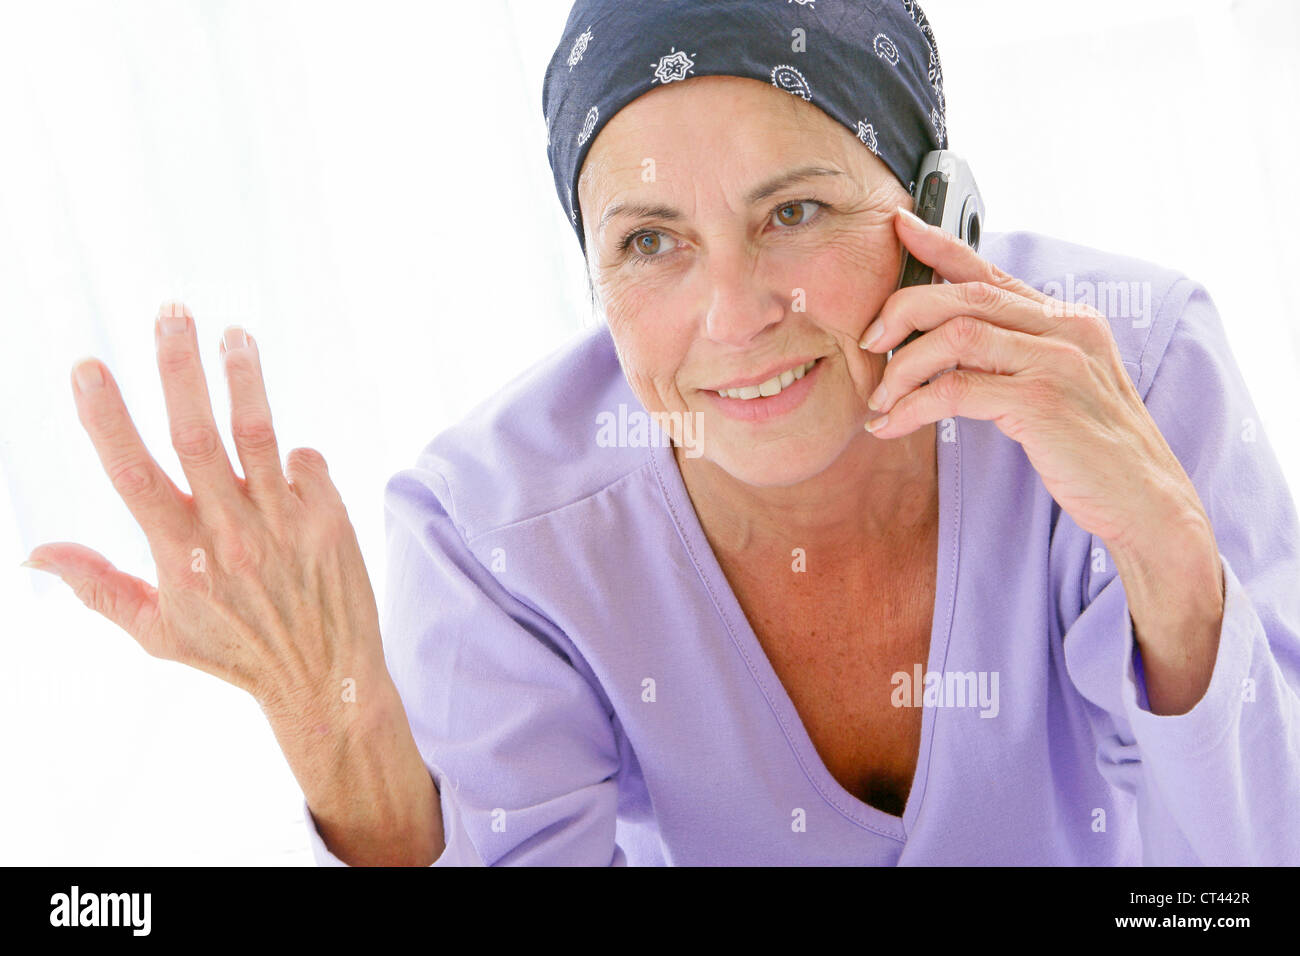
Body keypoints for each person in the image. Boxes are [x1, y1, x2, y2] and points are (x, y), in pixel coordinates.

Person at [27, 0, 1300, 866]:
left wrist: (1169, 559)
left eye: (795, 209)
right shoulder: (496, 535)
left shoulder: (1134, 373)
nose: (733, 315)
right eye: (648, 241)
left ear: (934, 209)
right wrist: (345, 741)